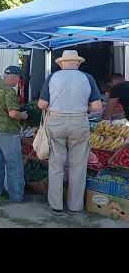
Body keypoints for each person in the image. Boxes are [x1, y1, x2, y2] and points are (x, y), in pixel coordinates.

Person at [38, 50, 102, 215]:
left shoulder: (53, 77)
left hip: (56, 122)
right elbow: (96, 107)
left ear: (60, 64)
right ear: (78, 63)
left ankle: (56, 204)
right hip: (79, 122)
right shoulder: (87, 78)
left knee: (56, 164)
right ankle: (75, 205)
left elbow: (42, 104)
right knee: (78, 166)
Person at [0, 66, 28, 202]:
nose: (18, 81)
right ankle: (16, 196)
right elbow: (13, 113)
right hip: (8, 132)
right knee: (14, 165)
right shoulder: (10, 92)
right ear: (13, 77)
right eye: (18, 78)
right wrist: (22, 115)